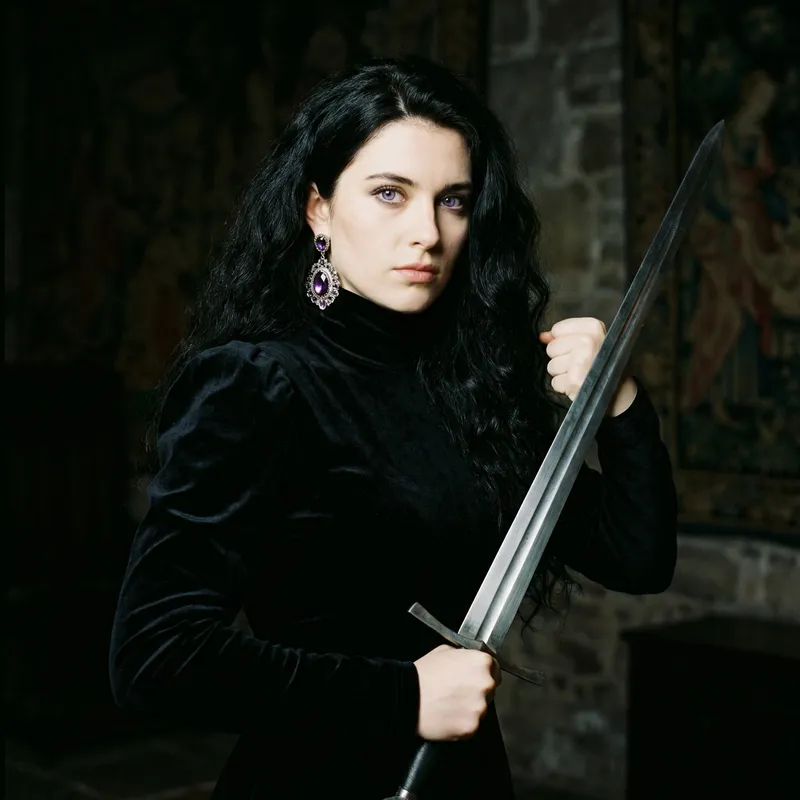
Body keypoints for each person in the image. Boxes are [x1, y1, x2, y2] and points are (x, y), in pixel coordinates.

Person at [109, 56, 678, 799]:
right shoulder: (258, 382)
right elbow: (154, 659)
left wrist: (622, 405)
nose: (428, 233)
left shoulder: (472, 388)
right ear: (318, 208)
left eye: (454, 201)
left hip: (465, 781)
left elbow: (639, 558)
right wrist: (404, 696)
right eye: (389, 193)